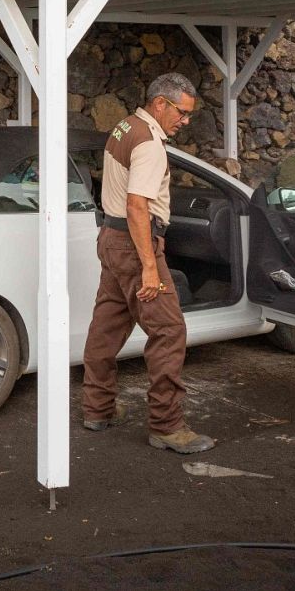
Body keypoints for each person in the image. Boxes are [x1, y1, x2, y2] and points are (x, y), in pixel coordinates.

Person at [81, 72, 215, 455]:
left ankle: (98, 408)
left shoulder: (125, 127)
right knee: (169, 332)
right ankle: (167, 426)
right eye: (181, 112)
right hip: (134, 244)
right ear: (160, 103)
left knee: (106, 327)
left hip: (111, 239)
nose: (185, 121)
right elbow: (137, 205)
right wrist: (150, 267)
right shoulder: (150, 143)